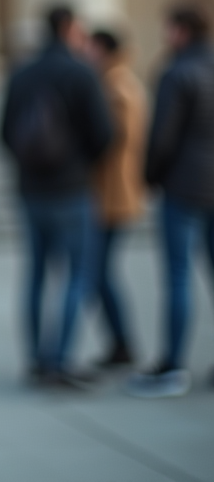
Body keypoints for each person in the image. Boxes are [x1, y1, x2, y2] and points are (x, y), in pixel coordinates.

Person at [0, 4, 112, 388]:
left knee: (36, 274)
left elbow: (2, 132)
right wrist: (80, 165)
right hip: (73, 189)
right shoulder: (81, 72)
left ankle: (35, 360)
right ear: (68, 26)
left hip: (31, 190)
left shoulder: (22, 72)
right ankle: (59, 361)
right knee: (77, 274)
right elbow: (104, 134)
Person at [127, 3, 214, 398]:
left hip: (184, 187)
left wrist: (150, 177)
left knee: (178, 276)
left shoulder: (177, 72)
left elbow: (162, 136)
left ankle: (174, 366)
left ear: (180, 30)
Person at [86, 28, 147, 369]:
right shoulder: (121, 83)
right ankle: (120, 343)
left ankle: (122, 343)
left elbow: (111, 142)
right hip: (113, 193)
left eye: (92, 47)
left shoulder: (115, 87)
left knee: (99, 272)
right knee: (101, 272)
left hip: (112, 195)